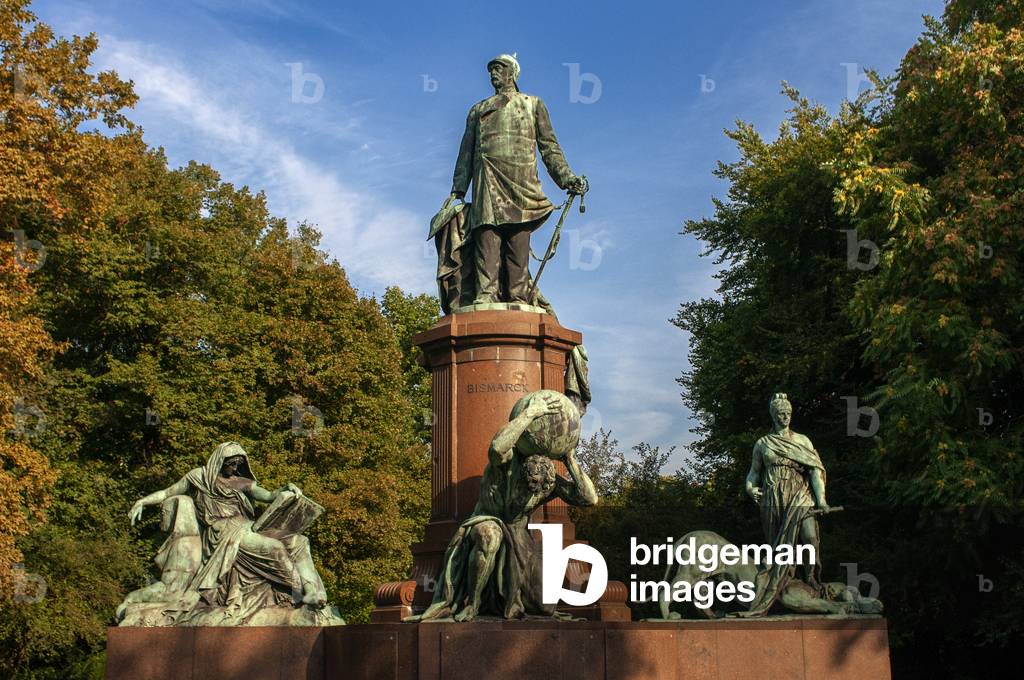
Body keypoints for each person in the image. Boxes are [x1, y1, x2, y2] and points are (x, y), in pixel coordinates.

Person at [409, 392, 598, 621]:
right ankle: (473, 604)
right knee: (490, 535)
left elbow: (589, 498)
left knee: (545, 605)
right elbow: (497, 447)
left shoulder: (547, 481)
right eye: (530, 484)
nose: (533, 489)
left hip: (520, 536)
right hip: (489, 519)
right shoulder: (507, 461)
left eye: (537, 488)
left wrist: (568, 457)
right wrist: (531, 413)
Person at [129, 442, 328, 622]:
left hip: (247, 526)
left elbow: (268, 495)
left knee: (299, 541)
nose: (234, 469)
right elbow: (168, 492)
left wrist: (287, 488)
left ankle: (312, 591)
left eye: (238, 465)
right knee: (274, 548)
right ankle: (299, 593)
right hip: (223, 533)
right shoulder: (199, 477)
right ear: (219, 461)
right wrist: (142, 501)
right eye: (231, 464)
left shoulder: (240, 482)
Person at [448, 53, 586, 304]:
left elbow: (549, 148)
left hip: (522, 184)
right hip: (487, 182)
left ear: (512, 72)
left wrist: (567, 178)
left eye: (498, 69)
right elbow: (465, 154)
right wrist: (457, 191)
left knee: (517, 245)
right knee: (487, 238)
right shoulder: (477, 110)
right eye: (490, 70)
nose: (492, 74)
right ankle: (486, 294)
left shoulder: (532, 104)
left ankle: (518, 298)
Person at [742, 393, 830, 615]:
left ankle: (810, 576)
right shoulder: (763, 444)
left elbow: (815, 471)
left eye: (788, 413)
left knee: (809, 537)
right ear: (773, 415)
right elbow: (753, 474)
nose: (785, 417)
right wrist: (750, 489)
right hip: (773, 499)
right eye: (781, 414)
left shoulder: (802, 441)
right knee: (779, 546)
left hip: (800, 495)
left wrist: (821, 499)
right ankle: (783, 584)